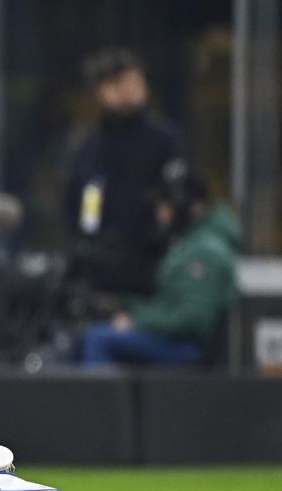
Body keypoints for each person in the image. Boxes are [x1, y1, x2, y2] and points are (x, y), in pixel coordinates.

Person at [80, 167, 239, 366]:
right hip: (173, 339)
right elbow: (168, 305)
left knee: (99, 339)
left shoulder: (206, 250)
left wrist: (137, 321)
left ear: (190, 207)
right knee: (86, 333)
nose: (160, 212)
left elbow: (193, 319)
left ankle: (100, 398)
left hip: (186, 347)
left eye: (166, 204)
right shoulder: (189, 243)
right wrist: (123, 304)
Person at [65, 48, 187, 297]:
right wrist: (88, 237)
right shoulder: (91, 145)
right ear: (101, 90)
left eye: (135, 81)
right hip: (100, 270)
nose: (128, 90)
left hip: (152, 268)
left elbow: (177, 194)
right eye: (117, 83)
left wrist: (161, 229)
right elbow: (85, 195)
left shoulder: (164, 139)